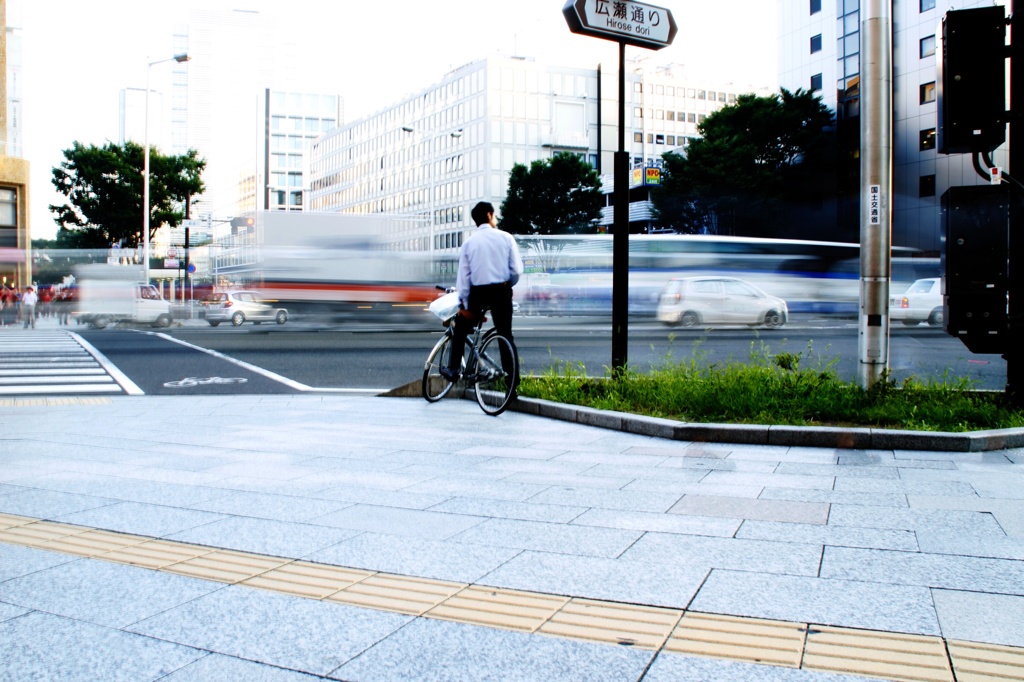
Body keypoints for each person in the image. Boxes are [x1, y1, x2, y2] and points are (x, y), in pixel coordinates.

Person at [443, 201, 524, 390]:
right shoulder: (506, 238)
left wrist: (463, 304)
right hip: (501, 291)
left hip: (478, 293)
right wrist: (508, 285)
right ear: (489, 215)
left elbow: (464, 280)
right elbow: (516, 270)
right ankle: (512, 382)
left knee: (461, 326)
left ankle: (454, 369)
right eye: (494, 215)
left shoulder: (469, 243)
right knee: (505, 334)